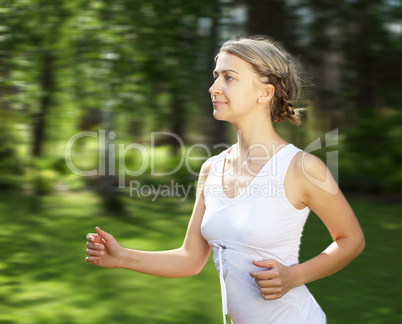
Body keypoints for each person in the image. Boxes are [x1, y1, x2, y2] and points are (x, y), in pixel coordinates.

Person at [85, 36, 365, 324]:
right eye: (216, 76)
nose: (213, 88)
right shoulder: (212, 168)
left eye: (229, 78)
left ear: (265, 93)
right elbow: (191, 258)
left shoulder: (302, 167)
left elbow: (351, 239)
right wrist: (122, 257)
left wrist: (294, 275)